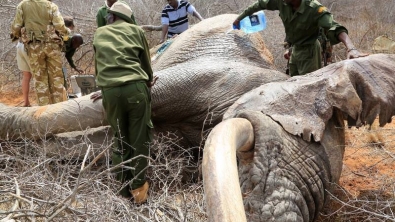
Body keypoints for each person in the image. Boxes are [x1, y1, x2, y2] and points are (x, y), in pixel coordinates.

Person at [91, 1, 158, 203]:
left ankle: (122, 192)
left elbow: (98, 67)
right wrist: (148, 81)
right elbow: (146, 63)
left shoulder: (99, 33)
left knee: (120, 140)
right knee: (139, 139)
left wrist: (106, 88)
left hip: (110, 92)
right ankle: (138, 191)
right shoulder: (136, 31)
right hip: (135, 89)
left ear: (110, 16)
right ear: (128, 18)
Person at [233, 0, 368, 76]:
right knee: (293, 83)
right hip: (294, 50)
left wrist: (351, 48)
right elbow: (259, 5)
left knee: (310, 86)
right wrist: (240, 18)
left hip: (309, 52)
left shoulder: (314, 9)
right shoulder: (282, 3)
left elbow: (335, 27)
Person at [11, 0, 70, 106]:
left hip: (34, 47)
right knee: (56, 79)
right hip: (52, 46)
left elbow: (16, 26)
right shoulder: (51, 5)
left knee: (40, 81)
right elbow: (59, 25)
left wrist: (16, 35)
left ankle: (45, 113)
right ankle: (60, 110)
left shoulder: (23, 5)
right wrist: (66, 33)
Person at [15, 32, 32, 107]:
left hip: (20, 44)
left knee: (26, 76)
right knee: (38, 76)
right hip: (30, 46)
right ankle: (42, 104)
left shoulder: (20, 19)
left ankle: (26, 102)